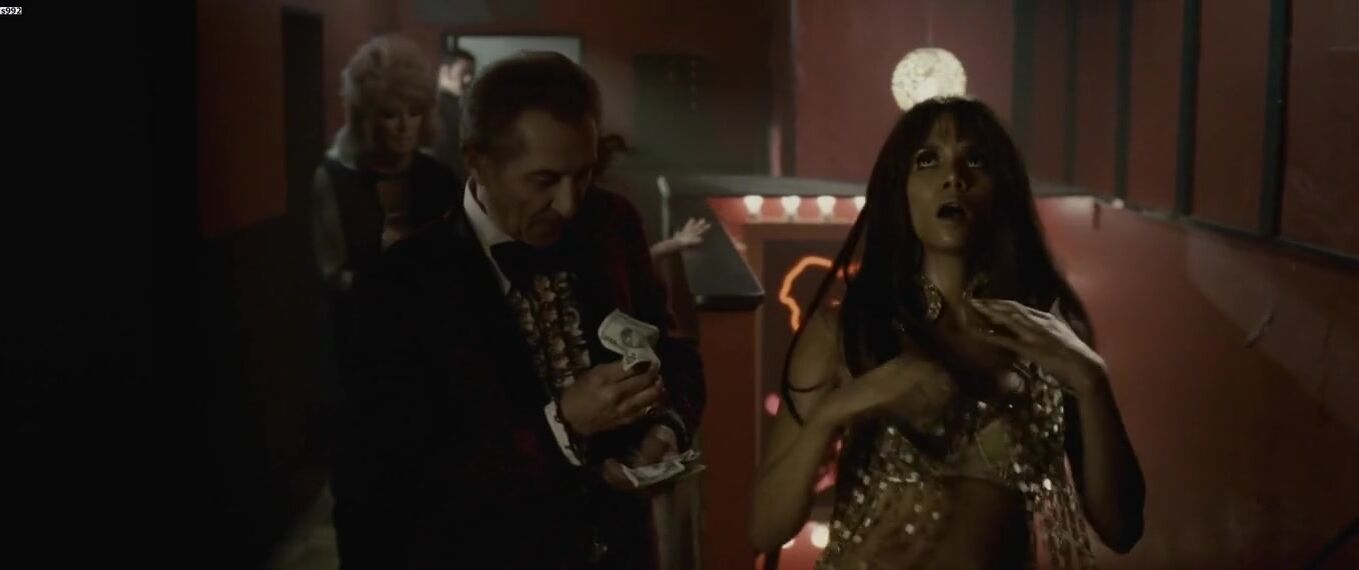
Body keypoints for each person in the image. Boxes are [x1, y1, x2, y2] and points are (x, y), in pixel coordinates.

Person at [330, 51, 706, 569]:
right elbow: (385, 493)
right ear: (478, 160)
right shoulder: (400, 286)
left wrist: (664, 427)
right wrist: (562, 426)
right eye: (544, 180)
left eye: (583, 175)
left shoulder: (611, 224)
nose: (569, 204)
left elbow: (675, 354)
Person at [749, 97, 1144, 568]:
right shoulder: (846, 333)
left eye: (975, 161)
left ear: (1001, 190)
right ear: (901, 190)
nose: (953, 177)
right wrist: (838, 409)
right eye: (927, 159)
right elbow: (765, 527)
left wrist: (1091, 380)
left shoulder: (1047, 337)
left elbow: (1122, 528)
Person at [311, 35, 459, 381]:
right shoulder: (336, 178)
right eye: (391, 114)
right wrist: (387, 290)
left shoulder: (438, 177)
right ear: (367, 117)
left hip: (438, 338)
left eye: (414, 112)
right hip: (365, 337)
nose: (405, 126)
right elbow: (333, 269)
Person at [430, 48, 476, 177]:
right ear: (445, 71)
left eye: (471, 73)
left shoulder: (457, 104)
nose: (468, 79)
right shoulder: (433, 104)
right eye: (464, 73)